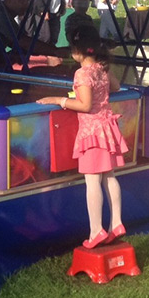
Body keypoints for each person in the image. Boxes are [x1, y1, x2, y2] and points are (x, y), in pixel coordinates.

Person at [37, 24, 128, 248]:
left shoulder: (82, 73)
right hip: (107, 128)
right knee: (110, 176)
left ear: (77, 51)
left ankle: (96, 230)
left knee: (92, 181)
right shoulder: (102, 68)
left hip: (92, 133)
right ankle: (116, 222)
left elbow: (85, 105)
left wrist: (59, 100)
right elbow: (116, 87)